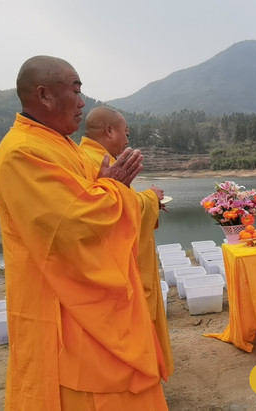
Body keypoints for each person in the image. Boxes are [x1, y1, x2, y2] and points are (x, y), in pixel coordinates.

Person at [0, 56, 168, 410]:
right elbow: (71, 226)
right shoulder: (22, 152)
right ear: (44, 95)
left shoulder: (62, 145)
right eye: (75, 90)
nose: (82, 102)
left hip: (92, 305)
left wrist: (110, 189)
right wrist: (115, 189)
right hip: (63, 308)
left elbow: (91, 200)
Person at [80, 106, 175, 378]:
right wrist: (150, 197)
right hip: (113, 266)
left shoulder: (94, 157)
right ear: (109, 131)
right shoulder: (92, 160)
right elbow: (109, 210)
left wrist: (147, 202)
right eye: (125, 132)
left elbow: (120, 203)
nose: (127, 139)